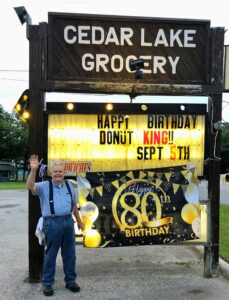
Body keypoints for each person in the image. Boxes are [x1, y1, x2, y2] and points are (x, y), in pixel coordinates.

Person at [27, 154, 84, 297]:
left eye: (60, 171)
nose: (58, 173)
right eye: (55, 171)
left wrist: (79, 220)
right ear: (51, 173)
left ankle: (71, 281)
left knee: (70, 254)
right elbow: (30, 186)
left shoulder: (70, 186)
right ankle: (47, 284)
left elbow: (74, 206)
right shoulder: (44, 186)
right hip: (51, 223)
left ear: (64, 173)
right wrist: (33, 170)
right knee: (51, 255)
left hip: (68, 222)